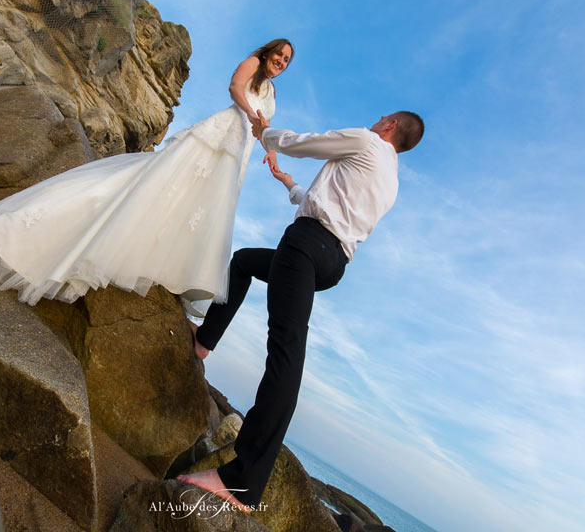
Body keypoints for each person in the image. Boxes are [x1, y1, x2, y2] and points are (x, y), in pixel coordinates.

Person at [178, 110, 425, 512]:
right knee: (243, 262)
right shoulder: (390, 181)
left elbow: (305, 143)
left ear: (390, 126)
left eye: (382, 117)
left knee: (286, 353)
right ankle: (205, 340)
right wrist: (287, 182)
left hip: (308, 245)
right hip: (331, 262)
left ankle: (240, 481)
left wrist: (265, 134)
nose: (377, 119)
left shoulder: (365, 140)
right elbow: (330, 206)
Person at [0, 39, 293, 310]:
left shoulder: (273, 93)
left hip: (237, 153)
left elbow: (264, 129)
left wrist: (272, 153)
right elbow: (235, 88)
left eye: (286, 60)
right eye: (279, 54)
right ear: (268, 52)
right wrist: (251, 114)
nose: (280, 61)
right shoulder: (252, 66)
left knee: (199, 209)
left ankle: (169, 268)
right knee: (165, 187)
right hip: (215, 139)